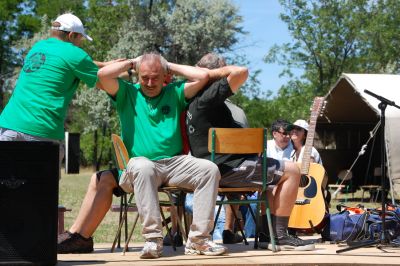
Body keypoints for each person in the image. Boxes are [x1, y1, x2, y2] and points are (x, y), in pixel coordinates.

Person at [58, 53, 227, 259]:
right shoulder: (127, 93)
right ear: (137, 75)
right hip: (138, 166)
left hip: (174, 163)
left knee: (209, 169)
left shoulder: (174, 92)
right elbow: (102, 75)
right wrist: (132, 63)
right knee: (143, 166)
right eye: (144, 77)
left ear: (165, 76)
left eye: (155, 77)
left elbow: (203, 76)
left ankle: (199, 240)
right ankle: (153, 240)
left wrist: (168, 65)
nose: (149, 82)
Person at [185, 53, 315, 251]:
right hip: (229, 169)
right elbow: (241, 72)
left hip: (214, 169)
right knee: (293, 171)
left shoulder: (191, 101)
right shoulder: (210, 98)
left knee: (274, 181)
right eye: (223, 71)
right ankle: (279, 236)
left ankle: (266, 234)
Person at [0, 13, 114, 161]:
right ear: (72, 35)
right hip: (42, 131)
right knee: (43, 183)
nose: (81, 43)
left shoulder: (38, 47)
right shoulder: (75, 54)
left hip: (8, 125)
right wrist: (130, 70)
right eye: (80, 38)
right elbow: (105, 81)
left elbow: (69, 61)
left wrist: (106, 64)